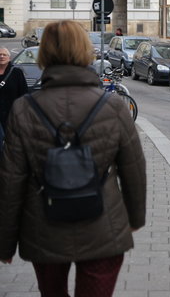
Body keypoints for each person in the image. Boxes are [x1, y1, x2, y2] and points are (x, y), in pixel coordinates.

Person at [0, 20, 146, 297]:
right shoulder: (113, 106)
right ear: (85, 52)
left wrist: (5, 243)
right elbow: (134, 168)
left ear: (44, 54)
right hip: (103, 226)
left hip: (43, 227)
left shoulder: (24, 110)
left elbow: (11, 181)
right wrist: (135, 217)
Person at [0, 47, 27, 146]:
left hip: (12, 114)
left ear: (9, 58)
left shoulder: (16, 73)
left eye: (4, 54)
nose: (1, 56)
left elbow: (24, 93)